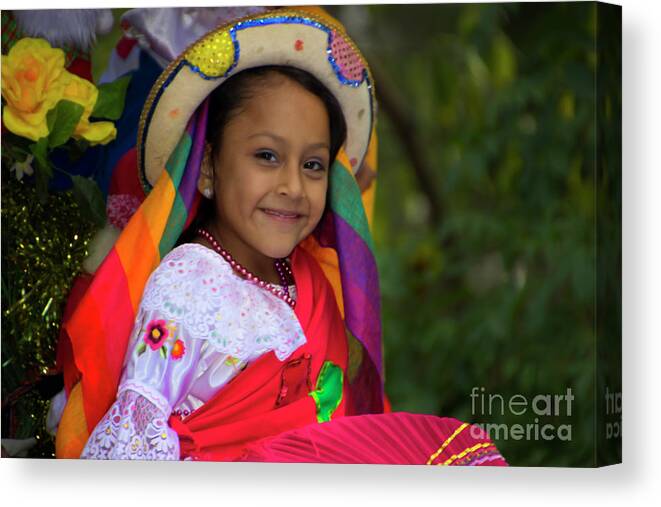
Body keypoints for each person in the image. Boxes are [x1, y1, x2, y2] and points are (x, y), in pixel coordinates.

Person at [55, 6, 506, 465]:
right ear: (208, 166)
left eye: (312, 165)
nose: (293, 185)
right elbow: (130, 452)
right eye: (267, 156)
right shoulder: (187, 285)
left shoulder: (312, 288)